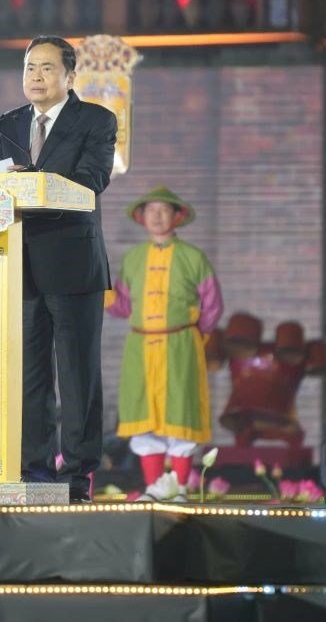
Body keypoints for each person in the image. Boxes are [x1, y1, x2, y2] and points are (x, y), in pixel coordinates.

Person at [0, 35, 117, 503]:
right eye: (28, 68)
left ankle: (77, 474)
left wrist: (33, 184)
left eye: (45, 68)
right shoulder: (9, 123)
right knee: (30, 375)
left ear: (69, 75)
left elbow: (91, 180)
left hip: (73, 263)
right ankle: (32, 470)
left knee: (77, 374)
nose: (35, 77)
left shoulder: (95, 119)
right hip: (17, 264)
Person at [106, 187, 223, 490]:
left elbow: (212, 305)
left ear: (176, 216)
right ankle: (155, 490)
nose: (157, 216)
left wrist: (196, 337)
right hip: (140, 347)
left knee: (180, 412)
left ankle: (179, 490)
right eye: (151, 210)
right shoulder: (133, 258)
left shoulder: (193, 257)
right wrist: (99, 291)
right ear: (142, 217)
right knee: (143, 415)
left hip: (181, 345)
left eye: (164, 210)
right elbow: (123, 306)